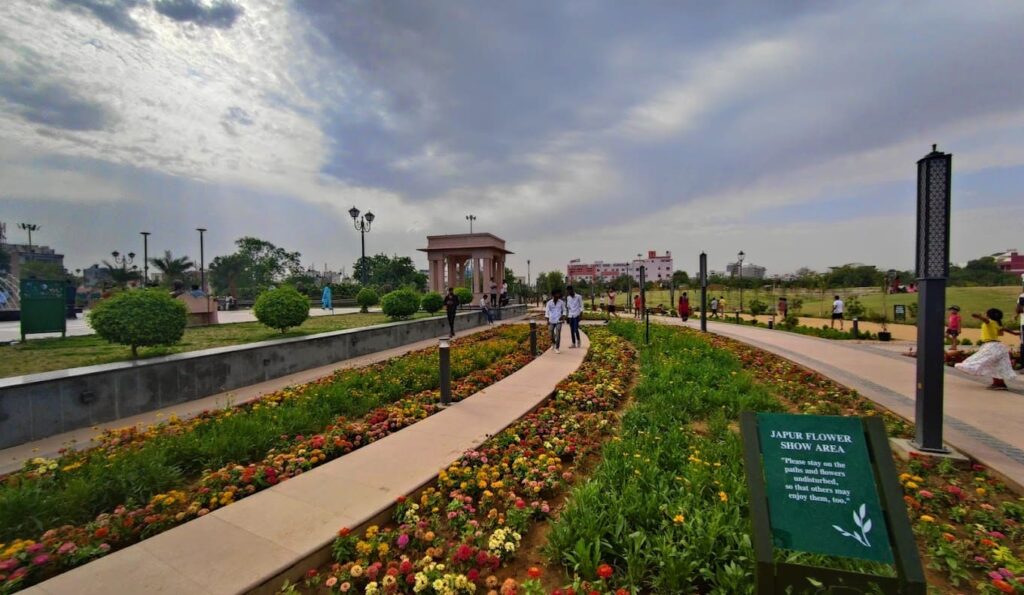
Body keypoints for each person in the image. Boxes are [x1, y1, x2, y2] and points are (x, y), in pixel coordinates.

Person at [955, 309, 1020, 390]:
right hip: (998, 346)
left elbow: (986, 321)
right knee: (996, 365)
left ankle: (998, 383)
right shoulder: (996, 323)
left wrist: (979, 316)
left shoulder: (990, 322)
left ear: (989, 315)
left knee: (978, 360)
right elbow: (1002, 331)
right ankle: (999, 384)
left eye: (986, 313)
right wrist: (1015, 333)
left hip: (991, 346)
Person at [545, 288, 566, 353]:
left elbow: (564, 310)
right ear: (553, 295)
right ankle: (553, 343)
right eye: (557, 293)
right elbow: (547, 312)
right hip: (551, 320)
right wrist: (547, 320)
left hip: (559, 320)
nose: (558, 295)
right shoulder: (549, 303)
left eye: (559, 294)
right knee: (551, 334)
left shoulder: (561, 302)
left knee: (558, 334)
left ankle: (557, 348)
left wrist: (563, 316)